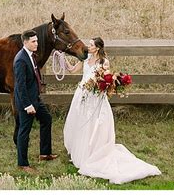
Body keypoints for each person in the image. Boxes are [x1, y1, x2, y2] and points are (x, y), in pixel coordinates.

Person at [63, 37, 161, 185]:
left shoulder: (103, 62)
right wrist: (62, 59)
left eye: (90, 45)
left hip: (95, 97)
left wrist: (101, 86)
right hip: (81, 95)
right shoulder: (85, 58)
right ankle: (80, 151)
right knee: (79, 122)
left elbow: (105, 80)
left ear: (97, 48)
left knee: (95, 124)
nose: (87, 47)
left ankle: (92, 151)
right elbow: (72, 70)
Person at [13, 30, 57, 173]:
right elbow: (20, 86)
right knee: (24, 131)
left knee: (47, 119)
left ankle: (45, 154)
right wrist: (27, 105)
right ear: (25, 42)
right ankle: (22, 163)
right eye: (33, 41)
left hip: (35, 99)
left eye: (37, 41)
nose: (36, 44)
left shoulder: (31, 55)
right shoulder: (20, 59)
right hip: (27, 103)